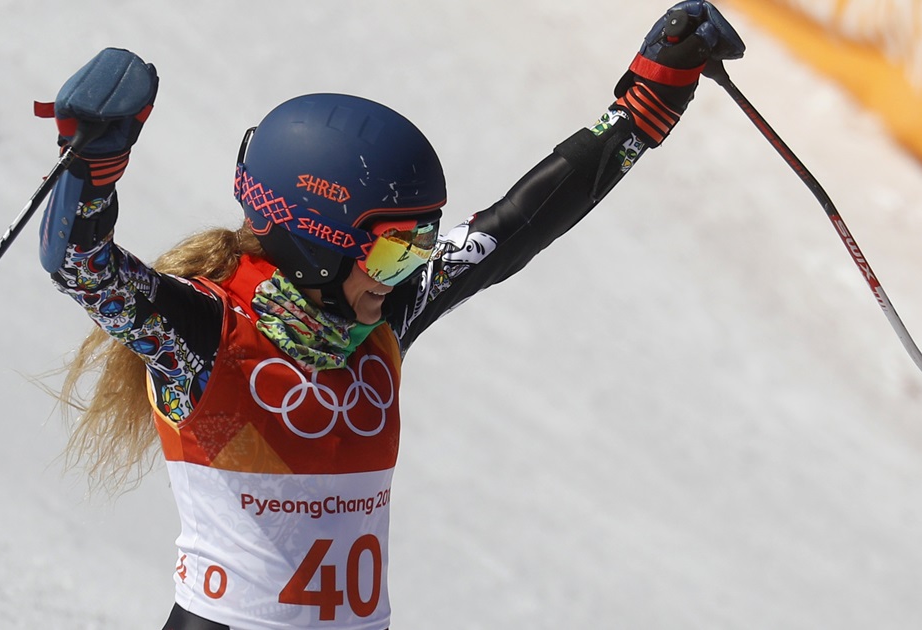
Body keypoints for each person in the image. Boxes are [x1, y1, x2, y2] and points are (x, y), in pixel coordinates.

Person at [39, 2, 744, 628]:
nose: (406, 276)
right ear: (318, 242)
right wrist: (95, 164)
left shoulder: (373, 325)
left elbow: (518, 225)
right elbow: (81, 264)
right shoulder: (207, 332)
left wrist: (647, 99)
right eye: (392, 253)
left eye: (419, 251)